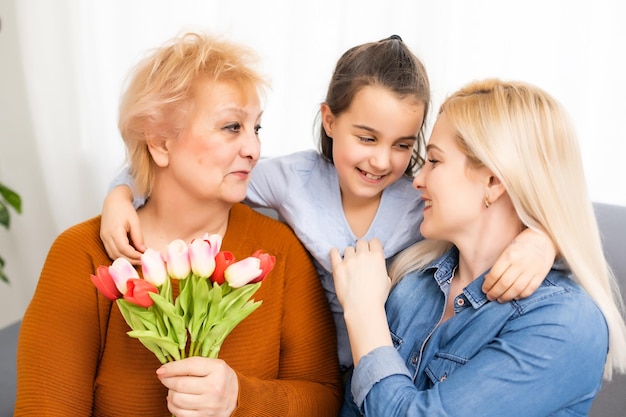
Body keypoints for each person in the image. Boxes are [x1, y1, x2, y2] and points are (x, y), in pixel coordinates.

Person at [100, 35, 556, 372]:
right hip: (310, 363)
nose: (382, 161)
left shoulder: (423, 199)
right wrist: (122, 192)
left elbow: (505, 207)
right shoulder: (292, 180)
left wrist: (541, 240)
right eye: (365, 137)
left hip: (387, 367)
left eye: (402, 144)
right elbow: (193, 169)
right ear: (330, 120)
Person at [15, 32, 343, 417]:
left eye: (256, 128)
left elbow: (323, 398)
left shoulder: (279, 250)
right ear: (160, 144)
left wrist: (240, 398)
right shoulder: (80, 254)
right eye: (231, 127)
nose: (254, 150)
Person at [331, 79, 626, 416]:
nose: (417, 180)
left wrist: (364, 314)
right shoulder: (413, 282)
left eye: (435, 161)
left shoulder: (565, 322)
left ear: (494, 181)